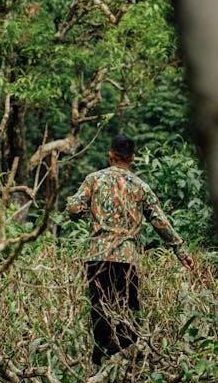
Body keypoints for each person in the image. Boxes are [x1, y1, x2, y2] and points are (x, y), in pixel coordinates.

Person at [66, 135, 193, 366]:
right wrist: (181, 251)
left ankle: (100, 364)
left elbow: (74, 208)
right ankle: (126, 365)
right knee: (129, 314)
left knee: (100, 312)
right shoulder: (140, 186)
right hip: (127, 259)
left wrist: (84, 211)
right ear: (132, 158)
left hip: (98, 257)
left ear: (110, 155)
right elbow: (160, 221)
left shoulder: (94, 179)